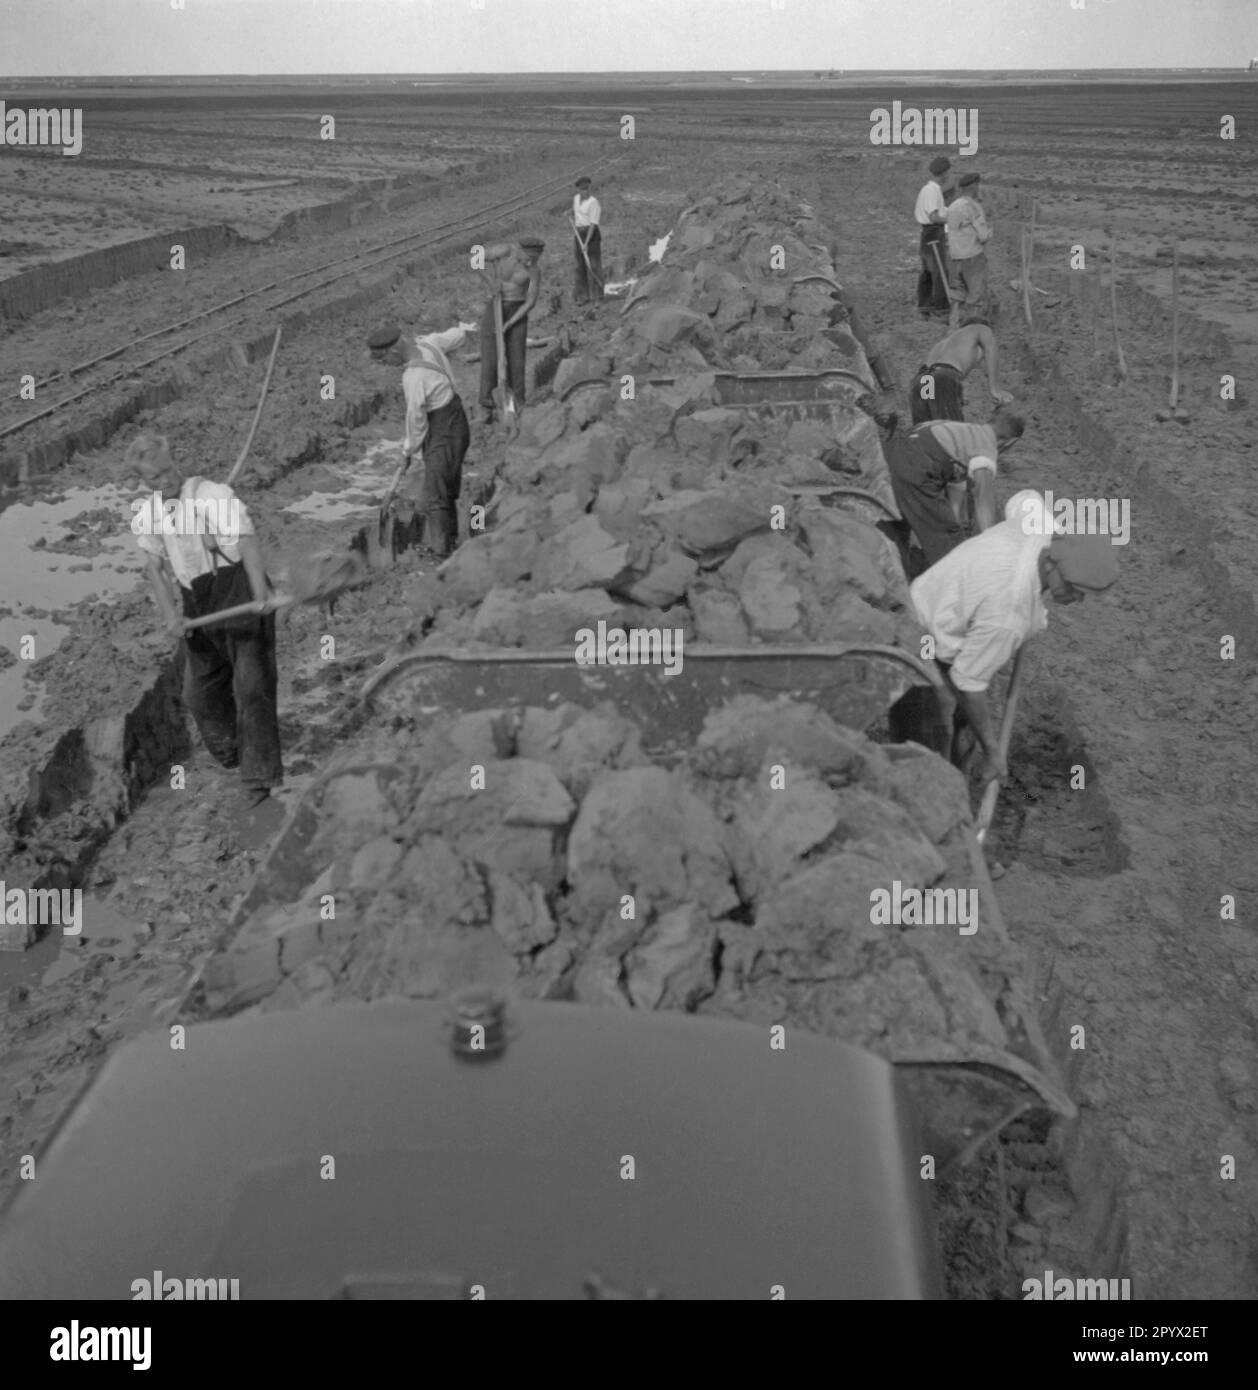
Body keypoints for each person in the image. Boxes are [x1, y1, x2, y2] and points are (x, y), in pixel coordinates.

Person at [891, 490, 1120, 783]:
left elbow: (1024, 498)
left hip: (935, 604)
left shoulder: (1043, 529)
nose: (1077, 599)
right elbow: (969, 683)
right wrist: (993, 752)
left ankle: (955, 781)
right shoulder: (1009, 614)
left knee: (959, 715)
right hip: (918, 637)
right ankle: (920, 803)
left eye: (1083, 594)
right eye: (1074, 588)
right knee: (928, 740)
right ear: (1051, 562)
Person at [126, 431, 282, 809]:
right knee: (200, 695)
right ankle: (234, 753)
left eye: (168, 470)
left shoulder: (211, 495)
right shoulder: (149, 514)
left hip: (240, 592)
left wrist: (261, 592)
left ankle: (259, 779)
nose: (166, 480)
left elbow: (246, 541)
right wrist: (170, 616)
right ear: (143, 483)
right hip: (199, 605)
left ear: (173, 458)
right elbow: (154, 568)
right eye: (156, 478)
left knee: (252, 688)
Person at [368, 320, 474, 558]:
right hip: (458, 420)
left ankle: (441, 552)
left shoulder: (413, 377)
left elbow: (416, 421)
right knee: (446, 487)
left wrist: (407, 453)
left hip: (443, 430)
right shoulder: (429, 343)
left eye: (385, 360)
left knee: (436, 494)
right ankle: (451, 540)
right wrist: (465, 328)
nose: (388, 365)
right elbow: (457, 336)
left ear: (394, 350)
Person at [885, 411, 1025, 574]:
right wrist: (990, 541)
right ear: (1011, 442)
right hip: (915, 468)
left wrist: (953, 523)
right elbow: (983, 496)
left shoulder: (960, 434)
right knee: (950, 549)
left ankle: (898, 581)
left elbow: (955, 496)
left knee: (896, 533)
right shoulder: (985, 446)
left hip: (889, 458)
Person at [477, 235, 543, 424]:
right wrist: (490, 281)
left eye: (535, 259)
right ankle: (486, 406)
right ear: (520, 251)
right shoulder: (504, 251)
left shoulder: (534, 270)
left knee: (517, 359)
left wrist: (511, 323)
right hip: (496, 306)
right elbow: (473, 255)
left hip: (518, 310)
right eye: (528, 258)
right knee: (490, 357)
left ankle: (517, 404)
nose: (530, 262)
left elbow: (530, 301)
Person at [909, 317, 1014, 425]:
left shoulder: (945, 343)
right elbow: (991, 349)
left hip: (922, 379)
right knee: (952, 431)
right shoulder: (981, 328)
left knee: (926, 430)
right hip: (943, 377)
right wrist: (995, 389)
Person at [946, 171, 991, 328]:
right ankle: (973, 329)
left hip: (954, 257)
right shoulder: (974, 207)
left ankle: (954, 327)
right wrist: (990, 231)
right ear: (974, 186)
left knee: (957, 296)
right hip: (972, 257)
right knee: (975, 297)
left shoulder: (952, 207)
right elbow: (983, 236)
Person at [914, 155, 953, 317]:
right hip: (933, 232)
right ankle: (941, 309)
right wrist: (952, 219)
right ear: (944, 173)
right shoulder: (931, 191)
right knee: (938, 271)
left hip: (930, 233)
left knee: (929, 270)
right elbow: (934, 217)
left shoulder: (930, 190)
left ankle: (925, 307)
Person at [571, 175, 603, 308]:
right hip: (578, 234)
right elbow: (576, 213)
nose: (586, 191)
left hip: (591, 235)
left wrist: (586, 243)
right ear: (578, 189)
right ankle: (583, 296)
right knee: (580, 266)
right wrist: (569, 213)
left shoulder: (594, 203)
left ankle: (597, 297)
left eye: (588, 189)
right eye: (583, 189)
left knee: (593, 266)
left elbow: (593, 224)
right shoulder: (576, 199)